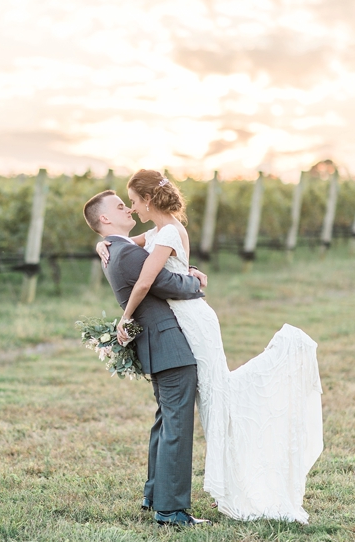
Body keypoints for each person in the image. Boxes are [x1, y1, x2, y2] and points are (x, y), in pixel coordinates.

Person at [96, 170, 324, 523]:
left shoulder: (165, 231)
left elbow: (152, 279)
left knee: (211, 402)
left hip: (191, 324)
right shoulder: (145, 238)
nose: (133, 208)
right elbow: (152, 264)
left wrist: (128, 314)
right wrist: (103, 240)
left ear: (150, 199)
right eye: (124, 205)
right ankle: (173, 501)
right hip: (177, 328)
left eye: (135, 201)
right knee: (192, 410)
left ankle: (201, 492)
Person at [83, 189, 211, 527]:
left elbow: (157, 256)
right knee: (177, 426)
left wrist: (188, 268)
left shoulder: (118, 249)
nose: (128, 208)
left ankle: (156, 494)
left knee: (166, 420)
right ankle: (171, 510)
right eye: (120, 206)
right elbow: (167, 281)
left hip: (160, 345)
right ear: (106, 218)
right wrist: (195, 281)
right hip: (170, 346)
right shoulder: (124, 253)